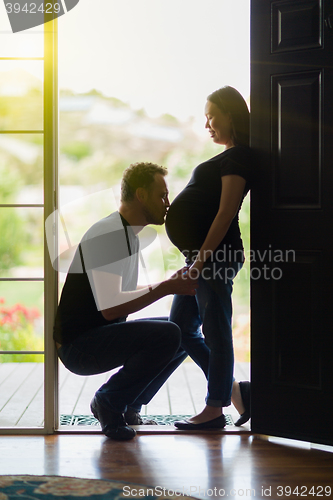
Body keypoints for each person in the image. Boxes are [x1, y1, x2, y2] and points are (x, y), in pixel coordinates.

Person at [53, 162, 198, 441]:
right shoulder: (110, 235)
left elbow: (116, 298)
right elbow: (110, 309)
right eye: (162, 195)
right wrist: (167, 286)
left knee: (181, 331)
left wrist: (169, 283)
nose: (168, 203)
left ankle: (129, 405)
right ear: (141, 195)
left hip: (94, 337)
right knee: (169, 333)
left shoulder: (127, 234)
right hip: (79, 346)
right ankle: (108, 403)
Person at [165, 86, 253, 429]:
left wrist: (199, 263)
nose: (207, 125)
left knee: (215, 332)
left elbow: (225, 214)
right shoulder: (230, 156)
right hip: (202, 258)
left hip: (215, 258)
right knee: (181, 329)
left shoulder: (238, 157)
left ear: (230, 115)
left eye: (211, 116)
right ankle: (236, 395)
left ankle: (214, 409)